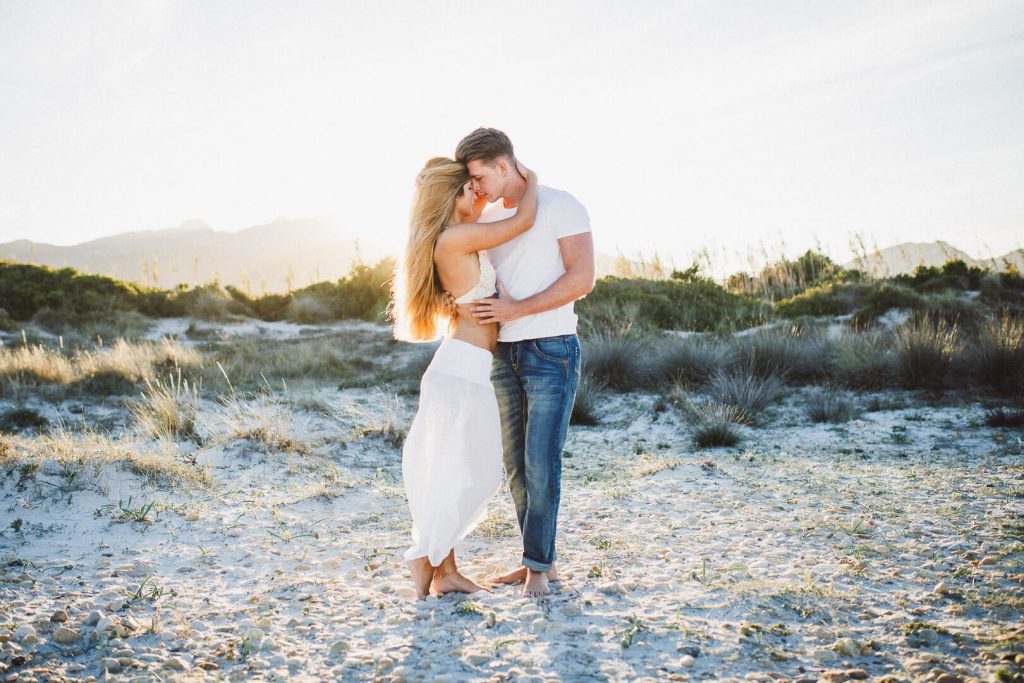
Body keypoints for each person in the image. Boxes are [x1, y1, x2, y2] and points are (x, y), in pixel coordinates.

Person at [389, 155, 540, 600]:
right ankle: (428, 558)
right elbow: (524, 219)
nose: (476, 193)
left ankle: (445, 570)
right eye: (469, 189)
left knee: (453, 469)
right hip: (461, 372)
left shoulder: (454, 239)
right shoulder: (455, 238)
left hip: (465, 368)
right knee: (469, 472)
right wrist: (530, 176)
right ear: (452, 197)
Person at [454, 128, 595, 597]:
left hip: (551, 348)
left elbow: (583, 278)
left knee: (541, 462)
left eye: (478, 177)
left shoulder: (561, 204)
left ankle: (538, 567)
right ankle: (539, 561)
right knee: (515, 466)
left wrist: (517, 309)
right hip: (503, 353)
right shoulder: (490, 217)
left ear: (503, 165)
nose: (476, 188)